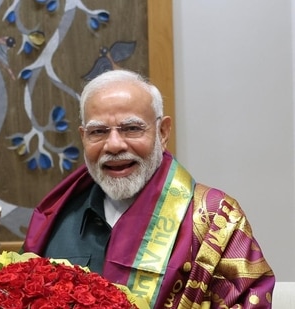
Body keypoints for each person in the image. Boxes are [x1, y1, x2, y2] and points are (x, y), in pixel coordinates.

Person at [22, 69, 275, 308]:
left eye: (131, 128)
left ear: (163, 132)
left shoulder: (214, 219)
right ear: (83, 137)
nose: (114, 145)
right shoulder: (58, 217)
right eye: (98, 131)